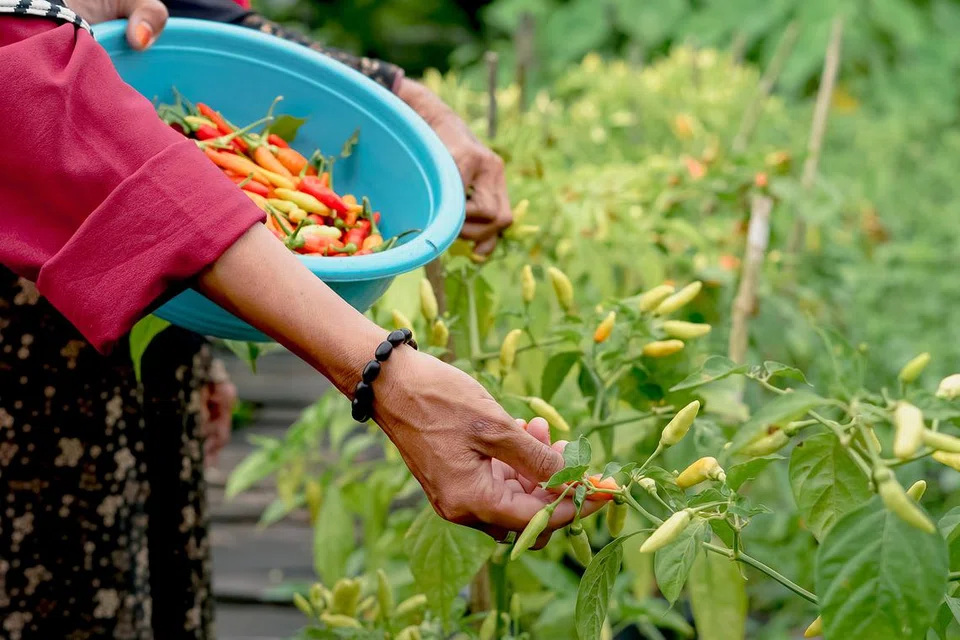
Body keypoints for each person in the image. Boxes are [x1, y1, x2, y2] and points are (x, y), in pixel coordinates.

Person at [0, 1, 600, 637]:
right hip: (26, 366)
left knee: (138, 575)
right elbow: (31, 86)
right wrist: (388, 375)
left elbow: (196, 20)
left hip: (156, 306)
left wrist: (412, 102)